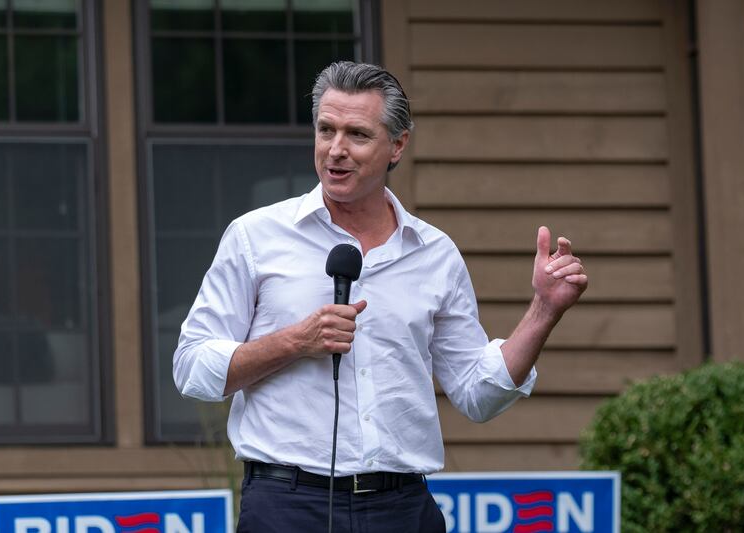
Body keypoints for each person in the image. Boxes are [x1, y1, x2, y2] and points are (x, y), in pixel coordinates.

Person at [173, 61, 588, 533]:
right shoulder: (255, 237)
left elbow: (478, 394)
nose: (336, 149)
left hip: (402, 508)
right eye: (326, 130)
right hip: (287, 506)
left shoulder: (434, 253)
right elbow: (191, 368)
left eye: (357, 134)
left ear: (397, 144)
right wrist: (296, 341)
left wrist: (544, 311)